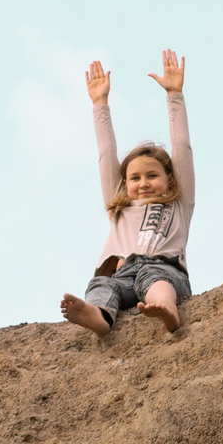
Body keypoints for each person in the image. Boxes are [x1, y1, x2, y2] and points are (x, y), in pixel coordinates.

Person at [61, 50, 195, 337]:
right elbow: (106, 153)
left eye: (152, 175)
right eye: (135, 178)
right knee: (101, 285)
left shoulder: (179, 202)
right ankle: (99, 317)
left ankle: (166, 308)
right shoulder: (119, 207)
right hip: (123, 275)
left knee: (153, 276)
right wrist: (100, 104)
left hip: (166, 271)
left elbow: (182, 147)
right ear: (124, 183)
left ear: (169, 179)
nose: (143, 183)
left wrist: (174, 95)